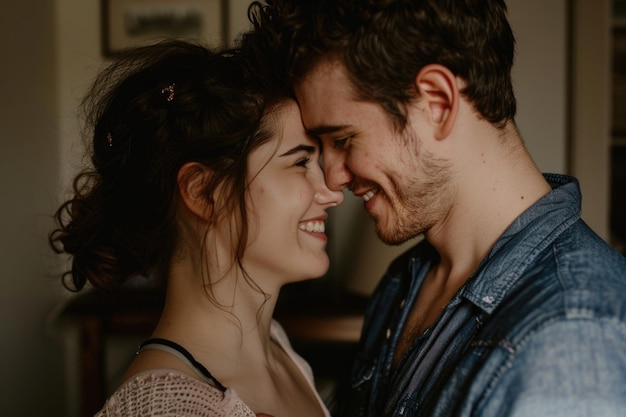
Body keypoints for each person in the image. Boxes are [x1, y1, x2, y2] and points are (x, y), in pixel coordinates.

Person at [241, 1, 626, 416]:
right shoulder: (403, 283)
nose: (332, 179)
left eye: (343, 140)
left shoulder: (571, 338)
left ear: (438, 102)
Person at [49, 39, 343, 417]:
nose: (332, 191)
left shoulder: (280, 350)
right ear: (204, 192)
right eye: (301, 162)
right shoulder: (166, 411)